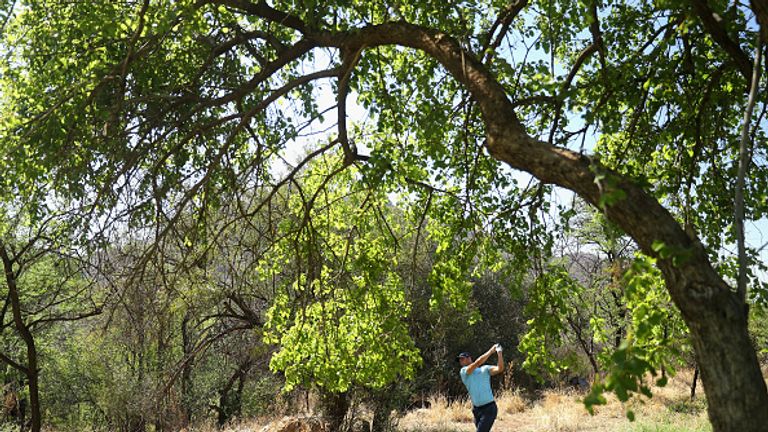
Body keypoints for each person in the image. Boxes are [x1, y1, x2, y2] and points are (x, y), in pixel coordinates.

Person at [457, 343, 504, 432]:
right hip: (476, 410)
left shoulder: (485, 369)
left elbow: (500, 368)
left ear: (469, 358)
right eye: (460, 360)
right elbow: (478, 363)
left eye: (462, 359)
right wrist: (491, 351)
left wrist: (499, 353)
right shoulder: (464, 371)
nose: (461, 361)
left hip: (489, 408)